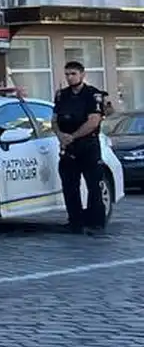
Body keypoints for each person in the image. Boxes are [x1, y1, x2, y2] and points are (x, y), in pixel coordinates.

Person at [54, 60, 109, 237]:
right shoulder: (62, 95)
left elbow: (93, 121)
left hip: (88, 145)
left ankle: (96, 222)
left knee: (94, 186)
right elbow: (54, 119)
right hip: (68, 147)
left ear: (82, 75)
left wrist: (73, 136)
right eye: (67, 74)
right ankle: (75, 222)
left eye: (73, 74)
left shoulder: (93, 95)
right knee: (69, 186)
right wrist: (60, 135)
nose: (70, 77)